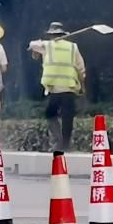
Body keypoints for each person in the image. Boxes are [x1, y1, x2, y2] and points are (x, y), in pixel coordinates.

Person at [29, 21, 86, 151]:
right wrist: (83, 85)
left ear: (51, 35)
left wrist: (40, 42)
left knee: (50, 113)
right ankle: (65, 145)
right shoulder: (73, 47)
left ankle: (58, 140)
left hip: (54, 88)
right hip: (69, 87)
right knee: (68, 117)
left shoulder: (47, 46)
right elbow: (81, 68)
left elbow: (32, 44)